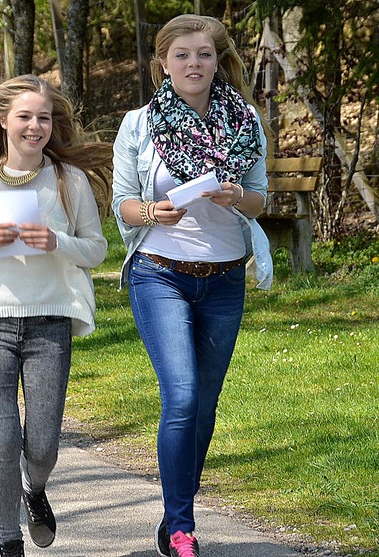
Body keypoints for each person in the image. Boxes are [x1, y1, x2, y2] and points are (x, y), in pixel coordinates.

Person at [111, 14, 273, 557]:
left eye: (203, 54)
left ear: (216, 59)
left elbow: (260, 199)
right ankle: (181, 525)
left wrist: (236, 198)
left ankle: (176, 507)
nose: (193, 64)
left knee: (204, 405)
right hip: (160, 273)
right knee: (180, 396)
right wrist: (151, 213)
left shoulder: (245, 120)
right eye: (181, 55)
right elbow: (124, 205)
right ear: (164, 63)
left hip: (225, 279)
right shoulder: (140, 124)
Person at [0, 74, 111, 557]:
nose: (35, 126)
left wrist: (57, 242)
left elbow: (96, 249)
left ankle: (34, 490)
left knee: (41, 447)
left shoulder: (68, 180)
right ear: (4, 121)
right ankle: (8, 542)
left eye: (43, 118)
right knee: (3, 437)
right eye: (25, 116)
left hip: (48, 322)